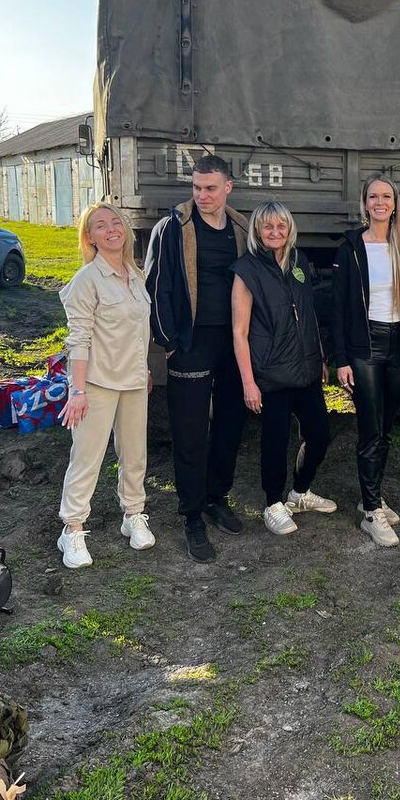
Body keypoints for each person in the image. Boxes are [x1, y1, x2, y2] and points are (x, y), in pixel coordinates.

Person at [145, 154, 247, 563]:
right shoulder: (173, 228)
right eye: (197, 188)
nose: (202, 195)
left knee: (230, 424)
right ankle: (191, 515)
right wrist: (169, 343)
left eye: (210, 188)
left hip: (234, 343)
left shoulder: (241, 229)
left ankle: (216, 498)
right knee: (189, 432)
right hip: (191, 343)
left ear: (228, 188)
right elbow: (156, 286)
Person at [57, 204, 155, 569]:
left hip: (133, 381)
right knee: (87, 458)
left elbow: (138, 331)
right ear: (90, 237)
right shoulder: (87, 280)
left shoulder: (135, 274)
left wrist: (144, 370)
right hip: (97, 383)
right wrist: (77, 391)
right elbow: (78, 340)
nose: (112, 229)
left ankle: (133, 514)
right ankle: (72, 529)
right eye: (101, 225)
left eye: (116, 222)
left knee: (135, 454)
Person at [231, 201, 337, 535]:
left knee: (319, 434)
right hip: (271, 373)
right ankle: (273, 503)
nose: (275, 232)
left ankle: (300, 493)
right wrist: (249, 382)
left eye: (281, 226)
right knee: (275, 442)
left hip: (305, 368)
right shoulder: (246, 270)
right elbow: (239, 332)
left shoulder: (298, 261)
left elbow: (308, 313)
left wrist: (320, 357)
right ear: (257, 230)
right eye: (268, 226)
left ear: (289, 229)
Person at [332, 174, 400, 547]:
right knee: (370, 428)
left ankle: (371, 495)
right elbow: (338, 307)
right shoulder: (351, 247)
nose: (380, 202)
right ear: (365, 203)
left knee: (385, 427)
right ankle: (372, 511)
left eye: (386, 196)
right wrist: (341, 359)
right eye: (373, 196)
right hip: (365, 345)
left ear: (395, 203)